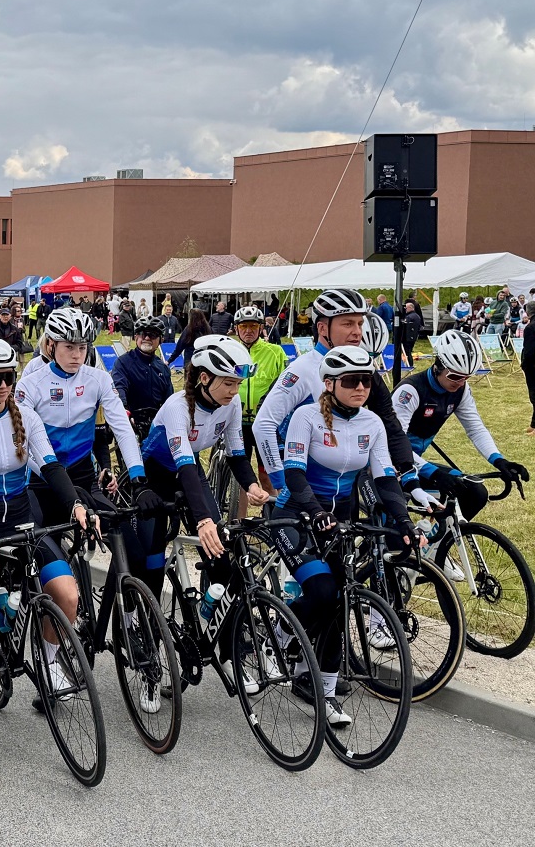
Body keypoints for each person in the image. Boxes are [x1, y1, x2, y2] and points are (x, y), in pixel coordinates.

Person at [270, 346, 422, 725]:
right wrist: (316, 512)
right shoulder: (307, 417)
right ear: (329, 384)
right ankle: (282, 629)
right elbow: (294, 475)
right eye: (351, 381)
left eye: (366, 381)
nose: (360, 387)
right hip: (294, 514)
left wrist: (404, 523)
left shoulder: (371, 423)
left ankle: (324, 689)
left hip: (339, 520)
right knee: (322, 591)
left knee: (339, 599)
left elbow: (386, 479)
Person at [0, 336, 90, 738]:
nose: (2, 385)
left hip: (27, 525)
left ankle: (48, 663)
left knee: (68, 594)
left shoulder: (26, 417)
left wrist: (76, 506)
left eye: (8, 376)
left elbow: (50, 465)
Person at [139, 336, 271, 689]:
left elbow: (238, 455)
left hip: (188, 474)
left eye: (237, 383)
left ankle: (219, 636)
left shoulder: (230, 403)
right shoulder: (177, 407)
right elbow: (182, 465)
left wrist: (251, 486)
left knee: (222, 561)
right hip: (154, 478)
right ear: (203, 378)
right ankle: (148, 656)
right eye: (228, 383)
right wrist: (204, 520)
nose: (233, 390)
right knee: (151, 569)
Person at [252, 288, 419, 498]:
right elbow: (263, 424)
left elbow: (388, 420)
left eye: (360, 323)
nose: (358, 332)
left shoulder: (363, 368)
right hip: (302, 479)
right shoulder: (302, 370)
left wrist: (408, 472)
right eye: (348, 323)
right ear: (322, 328)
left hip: (343, 478)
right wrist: (279, 480)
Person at [15, 307, 147, 516]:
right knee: (47, 545)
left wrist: (138, 479)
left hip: (82, 472)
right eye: (69, 347)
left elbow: (122, 428)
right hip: (43, 476)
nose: (77, 355)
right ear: (51, 344)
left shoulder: (99, 379)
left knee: (120, 529)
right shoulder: (30, 384)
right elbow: (23, 440)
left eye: (83, 347)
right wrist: (58, 482)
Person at [392, 330, 529, 529]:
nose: (460, 382)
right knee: (396, 535)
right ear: (438, 365)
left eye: (467, 377)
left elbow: (475, 428)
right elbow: (394, 445)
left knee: (475, 492)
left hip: (412, 462)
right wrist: (434, 473)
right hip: (383, 462)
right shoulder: (410, 391)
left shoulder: (461, 390)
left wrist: (499, 460)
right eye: (455, 376)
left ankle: (436, 547)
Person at [231, 306, 288, 500]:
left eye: (253, 326)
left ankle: (274, 520)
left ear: (261, 328)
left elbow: (286, 385)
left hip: (265, 424)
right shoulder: (229, 352)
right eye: (244, 326)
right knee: (242, 480)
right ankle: (237, 522)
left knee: (267, 475)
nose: (248, 331)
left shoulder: (275, 352)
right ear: (236, 328)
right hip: (237, 424)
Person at [111, 316, 173, 437]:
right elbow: (119, 388)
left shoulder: (163, 368)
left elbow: (169, 399)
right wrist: (124, 412)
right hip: (130, 424)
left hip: (157, 426)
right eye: (142, 334)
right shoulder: (123, 362)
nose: (147, 338)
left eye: (153, 335)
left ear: (161, 339)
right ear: (135, 337)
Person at [401, 300, 423, 366]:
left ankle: (409, 364)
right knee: (409, 351)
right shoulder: (417, 316)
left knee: (407, 352)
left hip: (407, 338)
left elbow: (404, 327)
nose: (405, 309)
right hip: (413, 337)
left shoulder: (409, 317)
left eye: (406, 308)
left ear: (411, 307)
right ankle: (409, 364)